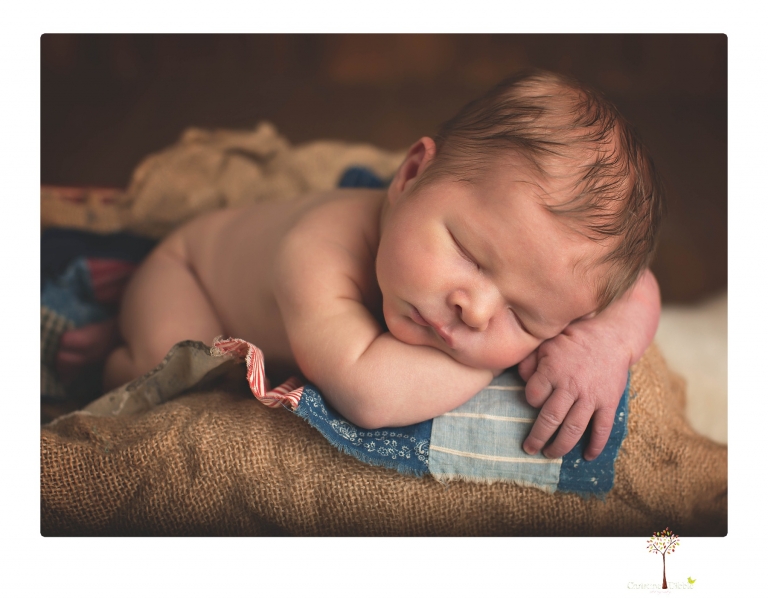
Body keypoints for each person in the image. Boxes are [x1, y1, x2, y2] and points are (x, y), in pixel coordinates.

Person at [104, 69, 664, 462]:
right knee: (167, 375)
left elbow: (635, 285)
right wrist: (512, 355)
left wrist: (608, 341)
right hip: (189, 274)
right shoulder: (317, 250)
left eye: (525, 315)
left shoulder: (485, 262)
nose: (476, 310)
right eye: (468, 254)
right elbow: (367, 393)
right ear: (413, 173)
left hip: (274, 317)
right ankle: (112, 347)